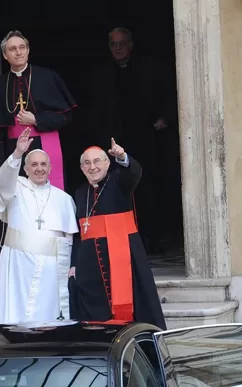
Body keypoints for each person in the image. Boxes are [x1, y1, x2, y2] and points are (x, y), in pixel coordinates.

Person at [0, 30, 76, 276]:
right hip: (15, 149)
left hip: (46, 143)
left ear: (28, 50)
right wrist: (1, 166)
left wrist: (38, 119)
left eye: (22, 47)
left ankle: (57, 250)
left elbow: (67, 116)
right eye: (12, 49)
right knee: (19, 203)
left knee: (50, 200)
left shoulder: (47, 77)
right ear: (5, 55)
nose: (18, 52)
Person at [86, 27, 174, 255]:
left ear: (131, 45)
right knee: (114, 190)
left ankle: (152, 239)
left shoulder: (149, 67)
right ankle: (118, 241)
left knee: (148, 189)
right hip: (112, 143)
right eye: (113, 44)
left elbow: (168, 94)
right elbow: (95, 107)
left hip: (146, 138)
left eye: (122, 44)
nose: (118, 48)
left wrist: (164, 118)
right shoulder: (101, 73)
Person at [70, 139, 166, 328]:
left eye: (97, 161)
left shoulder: (119, 182)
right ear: (82, 168)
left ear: (107, 163)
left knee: (135, 307)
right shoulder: (80, 193)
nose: (93, 167)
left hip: (125, 260)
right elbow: (77, 234)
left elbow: (133, 172)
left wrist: (122, 157)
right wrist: (74, 264)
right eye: (87, 163)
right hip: (91, 268)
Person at [0, 128, 77, 324]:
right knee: (17, 314)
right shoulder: (15, 187)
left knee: (49, 317)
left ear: (50, 168)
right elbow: (2, 180)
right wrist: (18, 153)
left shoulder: (63, 199)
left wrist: (70, 265)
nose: (39, 168)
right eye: (34, 165)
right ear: (25, 169)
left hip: (51, 269)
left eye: (43, 164)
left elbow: (69, 238)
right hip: (18, 266)